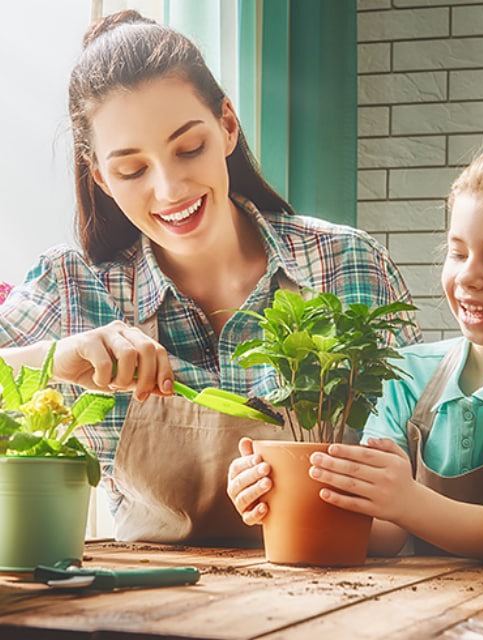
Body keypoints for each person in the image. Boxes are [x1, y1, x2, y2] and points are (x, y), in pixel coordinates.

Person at [0, 11, 421, 543]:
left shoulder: (347, 265)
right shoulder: (75, 287)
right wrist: (54, 360)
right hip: (151, 612)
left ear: (226, 125)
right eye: (132, 170)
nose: (170, 189)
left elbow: (417, 481)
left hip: (341, 596)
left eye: (188, 148)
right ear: (101, 176)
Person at [228, 125, 483, 565]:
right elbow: (383, 533)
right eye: (458, 253)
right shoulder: (406, 372)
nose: (467, 277)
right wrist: (279, 492)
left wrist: (405, 500)